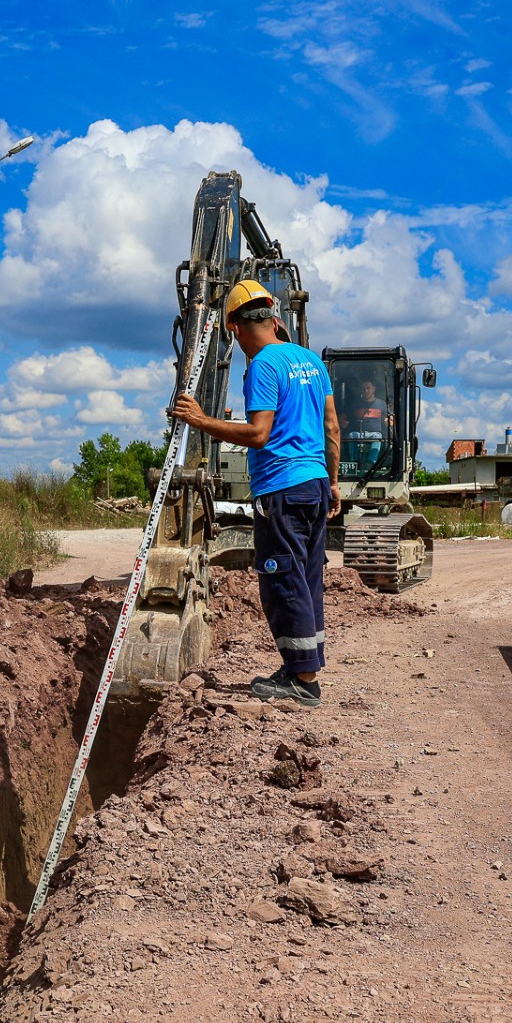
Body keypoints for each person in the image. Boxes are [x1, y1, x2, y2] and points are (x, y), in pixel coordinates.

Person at [168, 279, 340, 707]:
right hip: (316, 484)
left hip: (281, 488)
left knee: (283, 580)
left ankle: (303, 680)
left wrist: (202, 421)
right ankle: (303, 664)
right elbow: (332, 427)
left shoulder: (263, 363)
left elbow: (259, 434)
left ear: (236, 329)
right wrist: (333, 482)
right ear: (274, 319)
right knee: (307, 578)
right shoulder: (311, 362)